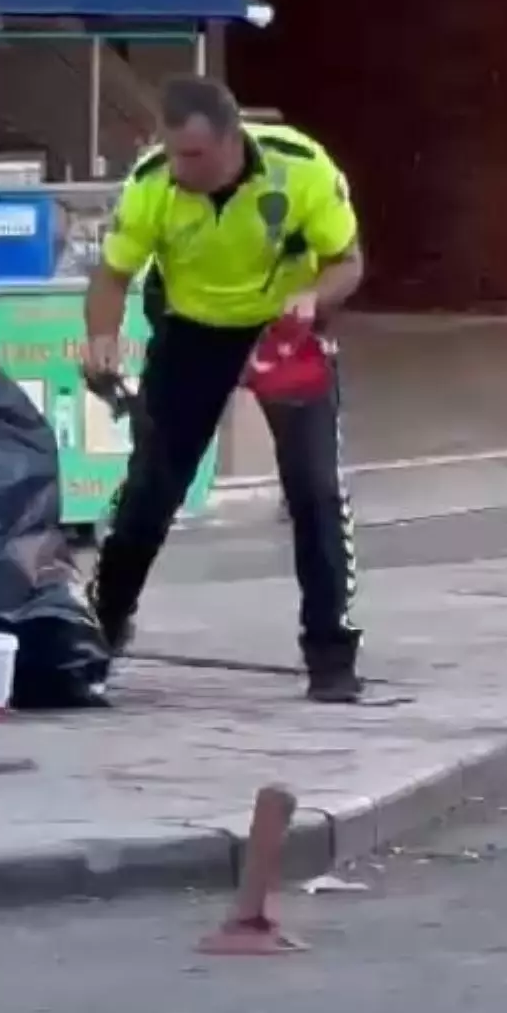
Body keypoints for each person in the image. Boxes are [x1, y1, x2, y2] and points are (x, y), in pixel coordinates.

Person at [82, 76, 365, 702]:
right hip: (192, 333)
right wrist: (101, 338)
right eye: (174, 153)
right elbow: (112, 276)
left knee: (315, 489)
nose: (181, 168)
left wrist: (314, 298)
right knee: (151, 489)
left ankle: (330, 652)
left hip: (283, 329)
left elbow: (349, 261)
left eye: (195, 157)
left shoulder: (302, 168)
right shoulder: (153, 183)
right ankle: (102, 624)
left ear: (233, 141)